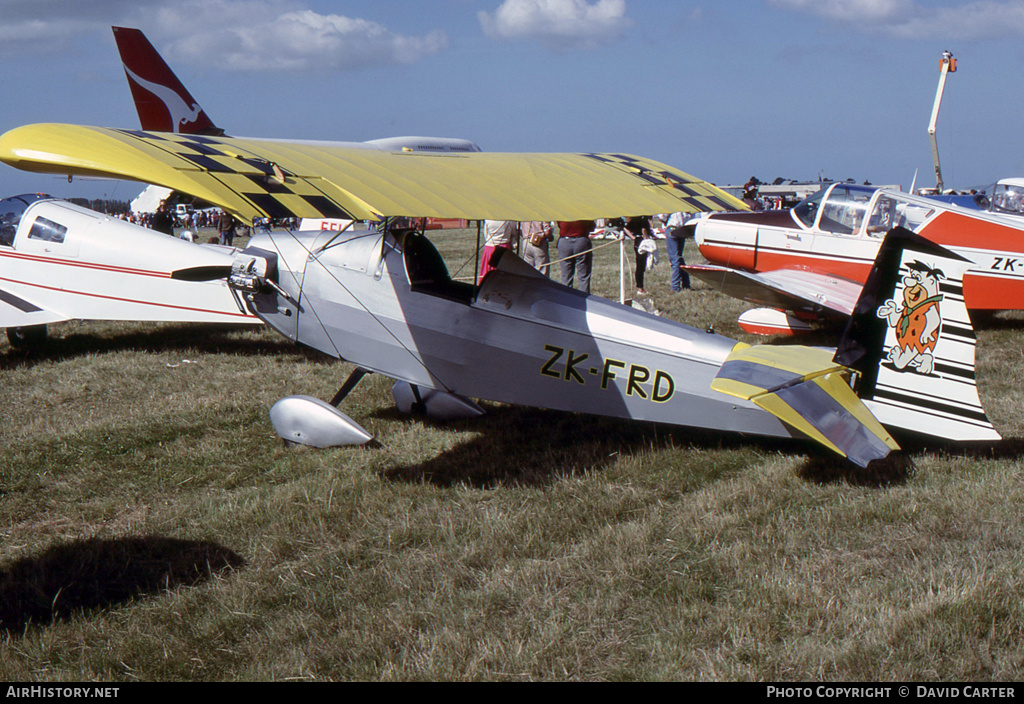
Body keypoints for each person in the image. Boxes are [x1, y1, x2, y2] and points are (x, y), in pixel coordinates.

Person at [556, 220, 595, 292]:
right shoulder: (583, 212)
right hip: (581, 240)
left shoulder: (562, 212)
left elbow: (559, 225)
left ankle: (567, 298)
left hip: (565, 241)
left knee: (566, 275)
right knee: (583, 275)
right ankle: (584, 297)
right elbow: (591, 227)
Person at [625, 216, 653, 295]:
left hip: (637, 240)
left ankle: (640, 287)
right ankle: (640, 288)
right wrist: (646, 237)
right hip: (642, 241)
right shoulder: (643, 219)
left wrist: (633, 237)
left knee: (640, 264)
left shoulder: (635, 219)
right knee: (641, 265)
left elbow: (626, 229)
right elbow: (643, 230)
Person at [664, 211, 692, 291]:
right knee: (679, 258)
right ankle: (686, 283)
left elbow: (662, 217)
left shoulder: (671, 206)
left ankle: (675, 287)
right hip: (681, 230)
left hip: (673, 229)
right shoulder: (686, 208)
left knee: (675, 259)